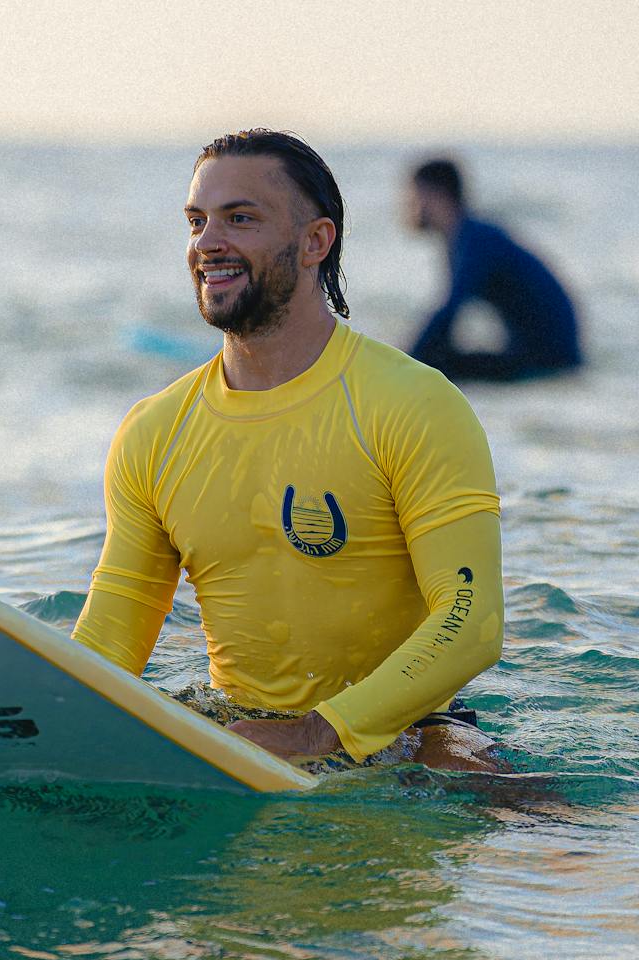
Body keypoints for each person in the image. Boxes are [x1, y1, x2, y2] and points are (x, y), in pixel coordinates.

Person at [72, 130, 504, 772]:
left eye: (240, 218)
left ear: (314, 242)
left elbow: (470, 621)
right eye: (197, 221)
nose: (207, 243)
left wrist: (315, 734)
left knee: (520, 808)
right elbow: (112, 637)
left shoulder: (411, 403)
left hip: (411, 734)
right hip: (238, 736)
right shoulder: (155, 432)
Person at [406, 157, 581, 382]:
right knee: (433, 362)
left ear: (436, 195)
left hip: (549, 360)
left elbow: (449, 311)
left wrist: (403, 360)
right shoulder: (467, 235)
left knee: (431, 367)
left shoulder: (473, 240)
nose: (409, 207)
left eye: (413, 197)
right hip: (545, 354)